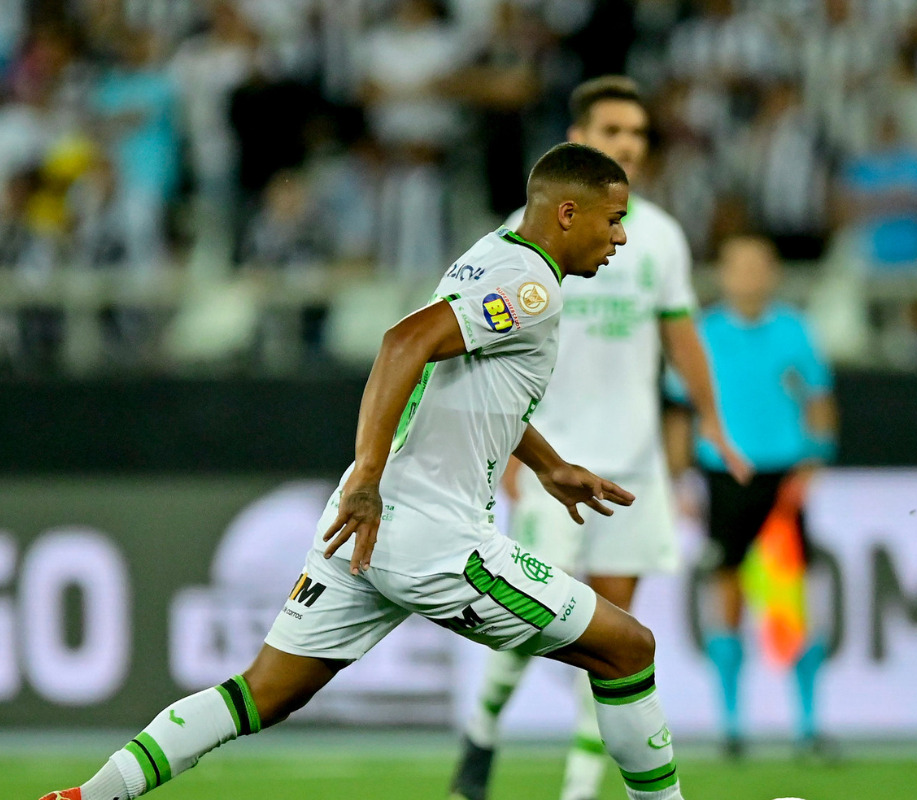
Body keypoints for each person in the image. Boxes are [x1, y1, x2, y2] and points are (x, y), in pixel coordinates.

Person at [39, 143, 692, 800]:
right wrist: (367, 481)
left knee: (258, 694)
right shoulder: (531, 288)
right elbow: (402, 343)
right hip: (435, 540)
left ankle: (87, 797)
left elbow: (466, 389)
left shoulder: (490, 251)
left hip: (367, 532)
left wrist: (550, 468)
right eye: (613, 219)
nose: (620, 236)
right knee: (627, 647)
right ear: (568, 213)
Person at [451, 76, 748, 800]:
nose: (630, 147)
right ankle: (482, 731)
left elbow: (683, 339)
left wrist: (714, 425)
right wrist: (512, 450)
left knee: (611, 641)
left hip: (634, 468)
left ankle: (579, 791)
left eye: (640, 136)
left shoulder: (661, 239)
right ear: (579, 139)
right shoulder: (530, 235)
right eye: (615, 132)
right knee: (527, 630)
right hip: (555, 462)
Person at [666, 234, 837, 758]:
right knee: (728, 594)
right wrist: (679, 478)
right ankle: (732, 727)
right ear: (723, 273)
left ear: (774, 273)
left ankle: (807, 728)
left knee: (788, 601)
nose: (749, 278)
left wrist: (815, 459)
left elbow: (820, 399)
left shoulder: (794, 330)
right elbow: (679, 409)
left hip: (780, 477)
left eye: (759, 267)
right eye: (739, 267)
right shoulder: (702, 333)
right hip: (723, 476)